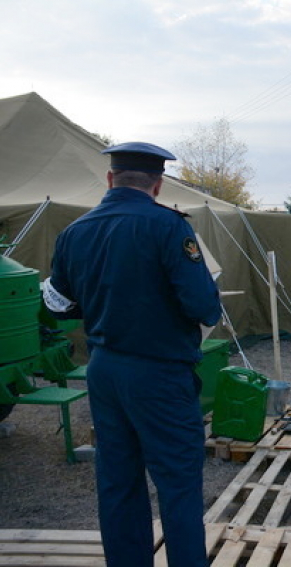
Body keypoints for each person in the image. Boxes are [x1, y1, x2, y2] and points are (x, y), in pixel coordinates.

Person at [43, 142, 221, 566]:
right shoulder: (168, 226)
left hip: (103, 369)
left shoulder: (74, 232)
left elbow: (59, 304)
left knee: (117, 481)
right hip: (158, 371)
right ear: (157, 185)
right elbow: (203, 306)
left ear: (109, 179)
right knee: (177, 484)